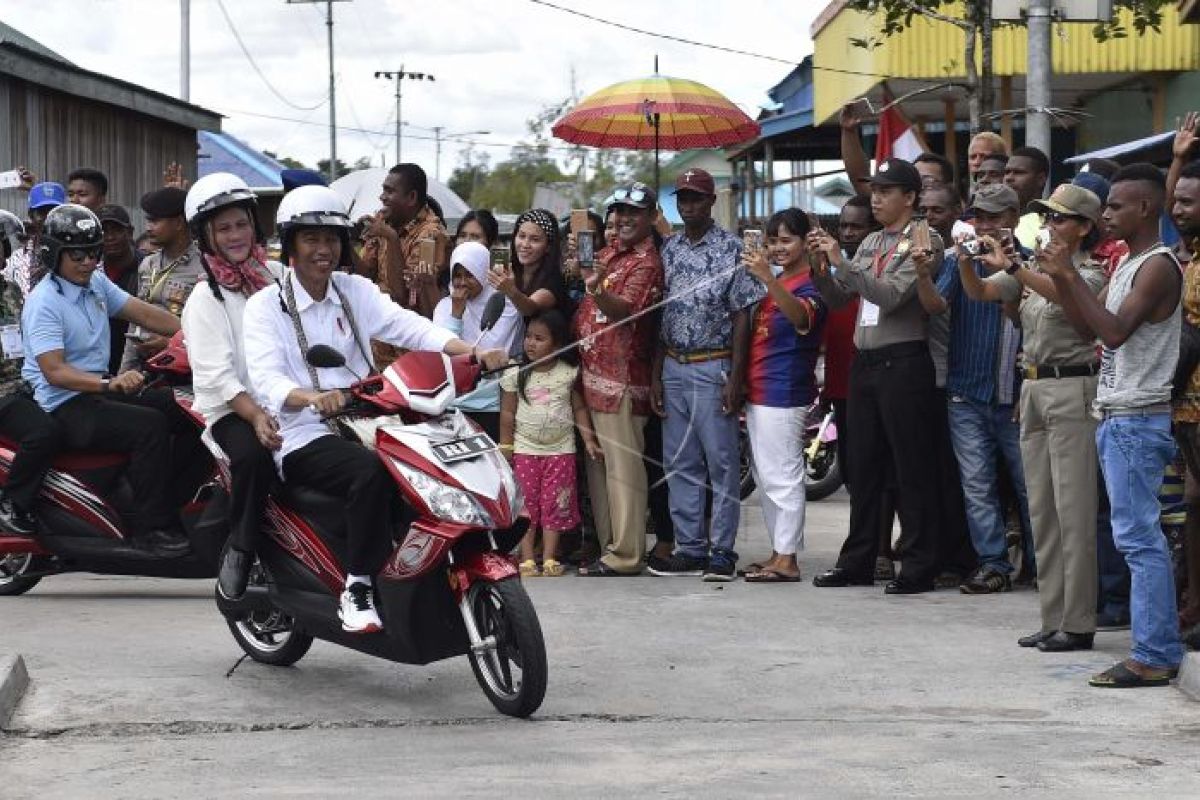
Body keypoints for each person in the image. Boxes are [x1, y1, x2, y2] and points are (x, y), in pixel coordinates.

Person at [243, 185, 507, 633]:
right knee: (369, 472)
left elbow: (408, 326)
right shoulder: (266, 306)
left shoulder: (353, 290)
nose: (323, 250)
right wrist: (310, 397)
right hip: (304, 432)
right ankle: (358, 584)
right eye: (311, 239)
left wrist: (470, 352)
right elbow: (266, 378)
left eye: (330, 239)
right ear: (290, 245)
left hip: (369, 417)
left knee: (435, 455)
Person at [956, 184, 1108, 650]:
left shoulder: (1090, 273)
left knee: (1074, 512)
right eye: (1046, 217)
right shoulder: (1037, 269)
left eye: (1060, 218)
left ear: (1084, 228)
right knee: (1042, 510)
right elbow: (982, 290)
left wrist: (1019, 267)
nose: (1050, 225)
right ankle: (1052, 617)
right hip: (1037, 386)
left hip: (1073, 385)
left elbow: (1072, 304)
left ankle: (1079, 622)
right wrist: (965, 257)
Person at [1050, 163, 1185, 688]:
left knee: (1138, 539)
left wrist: (1066, 275)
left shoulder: (1156, 266)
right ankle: (1154, 648)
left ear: (1145, 208)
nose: (1105, 215)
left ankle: (1154, 653)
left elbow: (1114, 331)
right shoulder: (1128, 262)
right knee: (1135, 537)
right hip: (1118, 414)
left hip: (1136, 417)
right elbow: (1091, 328)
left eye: (1115, 207)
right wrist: (1062, 276)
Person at [21, 204, 196, 557]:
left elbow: (142, 311)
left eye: (93, 252)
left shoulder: (95, 282)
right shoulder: (44, 303)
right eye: (78, 254)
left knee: (188, 407)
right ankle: (149, 529)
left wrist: (197, 332)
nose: (88, 262)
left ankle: (167, 502)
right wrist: (108, 385)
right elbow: (54, 371)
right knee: (149, 426)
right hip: (63, 403)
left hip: (98, 391)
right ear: (54, 253)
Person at [809, 158, 942, 595]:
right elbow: (840, 297)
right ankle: (858, 559)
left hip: (903, 361)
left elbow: (889, 295)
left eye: (887, 191)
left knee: (911, 468)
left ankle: (919, 564)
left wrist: (841, 263)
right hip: (865, 364)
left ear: (910, 197)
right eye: (875, 191)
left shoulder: (924, 239)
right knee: (862, 469)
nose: (877, 198)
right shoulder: (869, 241)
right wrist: (820, 268)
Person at [649, 169, 765, 581]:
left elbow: (741, 317)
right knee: (679, 461)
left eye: (696, 198)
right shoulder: (669, 249)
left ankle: (722, 549)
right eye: (682, 197)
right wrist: (656, 374)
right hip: (674, 365)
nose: (687, 205)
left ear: (711, 201)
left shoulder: (732, 249)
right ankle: (690, 547)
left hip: (713, 364)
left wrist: (735, 376)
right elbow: (660, 314)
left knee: (720, 460)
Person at [180, 173, 282, 601]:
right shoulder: (205, 298)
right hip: (232, 411)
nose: (236, 235)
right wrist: (256, 414)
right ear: (207, 237)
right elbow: (219, 377)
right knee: (255, 459)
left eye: (241, 224)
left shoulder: (278, 277)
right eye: (224, 228)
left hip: (289, 401)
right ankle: (240, 549)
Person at [939, 183, 1032, 595]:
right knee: (977, 486)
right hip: (967, 392)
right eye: (981, 216)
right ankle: (993, 565)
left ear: (1015, 216)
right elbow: (933, 305)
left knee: (1031, 487)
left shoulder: (1030, 264)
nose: (988, 225)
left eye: (996, 216)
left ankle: (1041, 565)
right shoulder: (960, 261)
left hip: (1018, 395)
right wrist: (933, 269)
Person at [573, 182, 663, 577]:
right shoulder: (610, 253)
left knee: (624, 470)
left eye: (634, 213)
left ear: (650, 218)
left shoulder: (647, 262)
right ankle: (610, 549)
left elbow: (625, 311)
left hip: (624, 381)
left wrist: (595, 288)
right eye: (620, 211)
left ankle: (626, 555)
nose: (625, 218)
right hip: (593, 377)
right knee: (600, 467)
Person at [739, 208, 827, 583]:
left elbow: (802, 319)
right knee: (766, 475)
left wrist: (766, 279)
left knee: (783, 475)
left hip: (785, 388)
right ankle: (779, 552)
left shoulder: (812, 283)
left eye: (786, 240)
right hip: (760, 387)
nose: (777, 248)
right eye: (772, 240)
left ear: (806, 241)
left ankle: (787, 558)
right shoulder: (778, 279)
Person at [499, 309, 602, 577]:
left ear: (557, 345)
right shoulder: (516, 373)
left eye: (539, 338)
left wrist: (588, 439)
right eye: (529, 337)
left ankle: (549, 557)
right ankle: (527, 558)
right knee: (527, 505)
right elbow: (508, 413)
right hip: (525, 450)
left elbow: (579, 410)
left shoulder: (569, 373)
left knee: (555, 503)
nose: (530, 343)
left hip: (561, 450)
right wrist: (506, 447)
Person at [0, 211, 62, 535]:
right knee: (43, 433)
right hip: (3, 394)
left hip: (25, 384)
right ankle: (12, 505)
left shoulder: (10, 289)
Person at [432, 241, 522, 440]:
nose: (462, 282)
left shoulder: (505, 305)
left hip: (490, 406)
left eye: (470, 275)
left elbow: (493, 355)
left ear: (483, 272)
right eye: (457, 275)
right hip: (450, 405)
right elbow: (443, 354)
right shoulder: (444, 307)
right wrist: (456, 314)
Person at [822, 194, 875, 494]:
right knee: (852, 472)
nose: (847, 233)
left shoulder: (874, 267)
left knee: (871, 472)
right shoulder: (836, 270)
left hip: (871, 384)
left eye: (856, 226)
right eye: (843, 226)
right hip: (841, 385)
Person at [120, 187, 203, 371]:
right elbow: (136, 320)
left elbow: (209, 330)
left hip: (187, 375)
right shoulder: (148, 264)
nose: (148, 227)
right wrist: (125, 372)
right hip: (146, 369)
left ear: (179, 223)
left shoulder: (205, 267)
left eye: (155, 221)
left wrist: (171, 345)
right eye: (148, 220)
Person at [357, 162, 449, 321]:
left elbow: (401, 296)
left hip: (411, 335)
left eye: (389, 191)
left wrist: (391, 238)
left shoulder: (431, 235)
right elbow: (364, 276)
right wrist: (344, 239)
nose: (382, 197)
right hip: (378, 331)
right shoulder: (384, 221)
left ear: (412, 197)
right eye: (383, 189)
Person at [488, 208, 570, 320]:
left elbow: (529, 308)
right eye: (521, 236)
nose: (525, 244)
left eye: (535, 240)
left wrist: (511, 290)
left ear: (548, 247)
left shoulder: (554, 281)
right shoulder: (510, 269)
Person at [96, 205, 141, 374]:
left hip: (134, 362)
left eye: (116, 230)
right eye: (103, 232)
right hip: (97, 365)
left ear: (129, 232)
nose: (110, 237)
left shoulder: (147, 267)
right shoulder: (87, 269)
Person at [4, 182, 64, 296]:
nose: (48, 218)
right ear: (31, 215)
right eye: (42, 212)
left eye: (54, 212)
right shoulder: (16, 259)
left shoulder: (77, 256)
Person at [1005, 146, 1051, 249]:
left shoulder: (1050, 225)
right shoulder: (992, 221)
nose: (1009, 178)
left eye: (1019, 172)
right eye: (1007, 172)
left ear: (1040, 179)